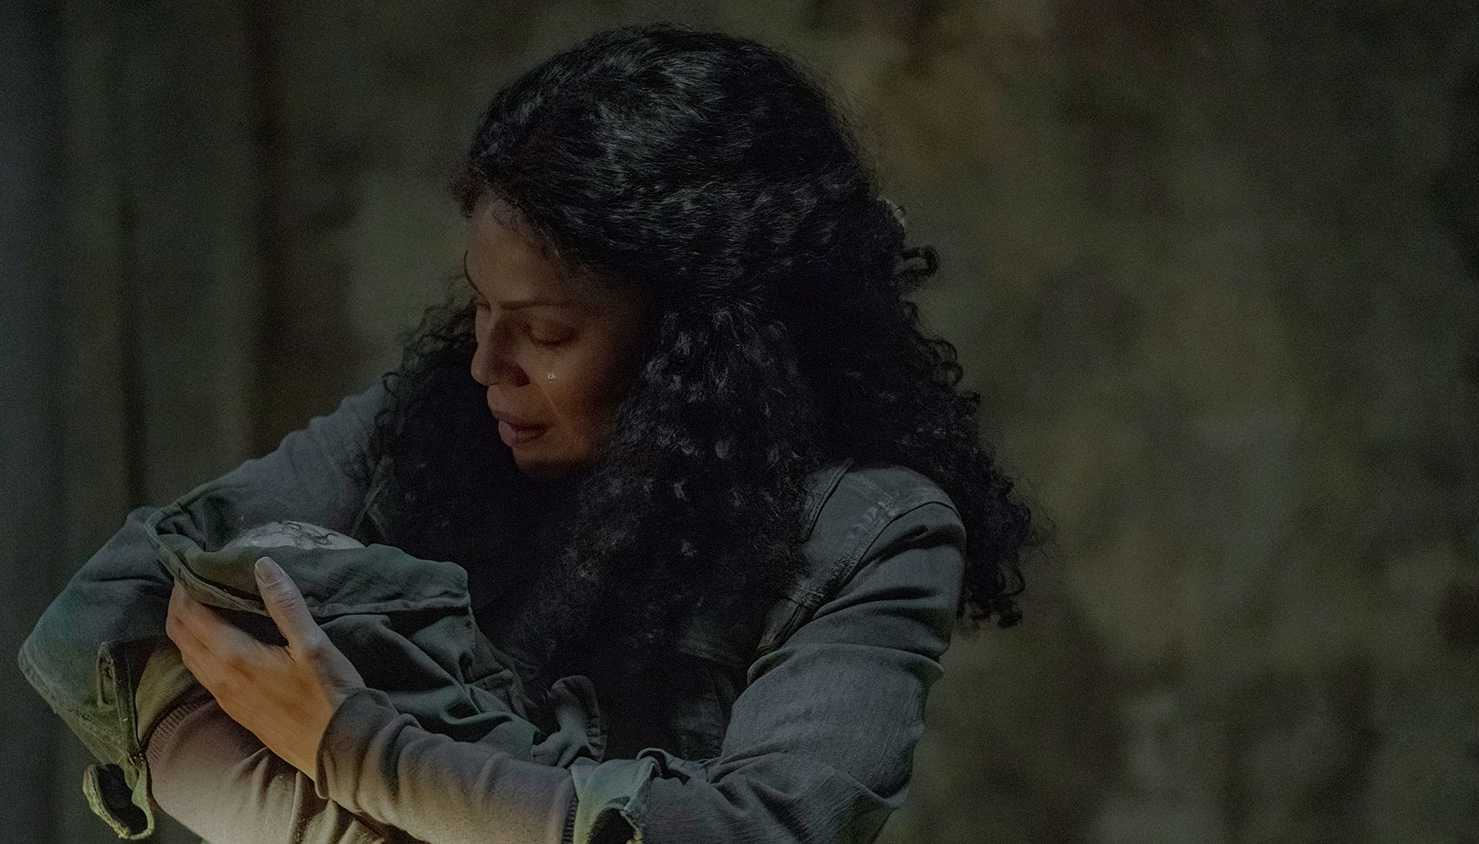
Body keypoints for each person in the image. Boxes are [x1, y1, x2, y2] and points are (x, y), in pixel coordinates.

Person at [18, 22, 1040, 844]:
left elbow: (762, 828)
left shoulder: (875, 531)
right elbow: (109, 615)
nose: (486, 364)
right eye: (480, 308)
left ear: (701, 343)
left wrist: (359, 751)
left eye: (547, 332)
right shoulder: (440, 416)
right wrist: (331, 827)